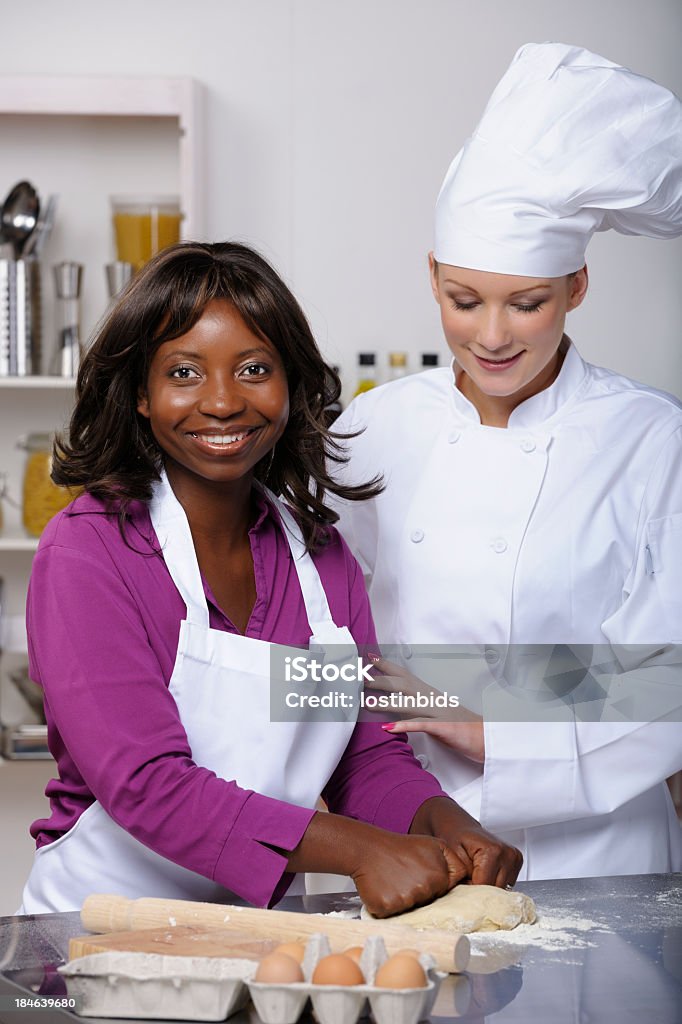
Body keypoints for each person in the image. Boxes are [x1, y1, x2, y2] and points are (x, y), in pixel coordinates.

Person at [19, 241, 521, 916]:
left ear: (292, 383)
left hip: (262, 942)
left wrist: (443, 823)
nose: (223, 402)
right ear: (140, 394)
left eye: (254, 369)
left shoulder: (321, 561)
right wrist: (359, 851)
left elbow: (359, 758)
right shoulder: (91, 551)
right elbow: (145, 784)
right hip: (100, 933)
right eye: (185, 373)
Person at [331, 43, 682, 880]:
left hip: (599, 850)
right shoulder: (370, 429)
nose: (492, 336)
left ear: (577, 287)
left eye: (527, 303)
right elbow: (322, 641)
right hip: (405, 826)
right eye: (463, 300)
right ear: (432, 277)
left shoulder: (650, 437)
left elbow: (665, 674)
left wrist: (485, 723)